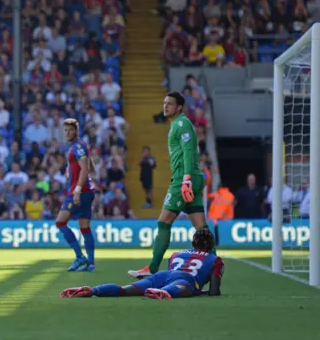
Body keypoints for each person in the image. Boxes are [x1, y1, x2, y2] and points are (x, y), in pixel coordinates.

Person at [128, 92, 215, 279]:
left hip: (184, 179)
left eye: (170, 103)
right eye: (164, 103)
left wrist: (185, 179)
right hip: (191, 178)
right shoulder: (176, 124)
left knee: (163, 222)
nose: (166, 106)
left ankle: (152, 268)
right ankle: (216, 268)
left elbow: (189, 151)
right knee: (201, 228)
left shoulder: (182, 124)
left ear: (179, 107)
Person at [61, 228, 223, 299]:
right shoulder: (214, 259)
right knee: (183, 288)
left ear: (193, 243)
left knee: (124, 290)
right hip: (184, 279)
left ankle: (94, 290)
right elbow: (214, 292)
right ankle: (164, 293)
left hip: (161, 276)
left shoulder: (176, 254)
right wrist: (202, 291)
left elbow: (170, 274)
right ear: (211, 245)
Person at [56, 118, 96, 272]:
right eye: (65, 130)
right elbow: (89, 165)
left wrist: (77, 190)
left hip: (78, 191)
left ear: (76, 131)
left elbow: (85, 169)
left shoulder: (77, 146)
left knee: (60, 222)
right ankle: (90, 262)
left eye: (71, 130)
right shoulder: (81, 145)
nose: (68, 133)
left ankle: (80, 257)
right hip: (87, 191)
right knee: (84, 228)